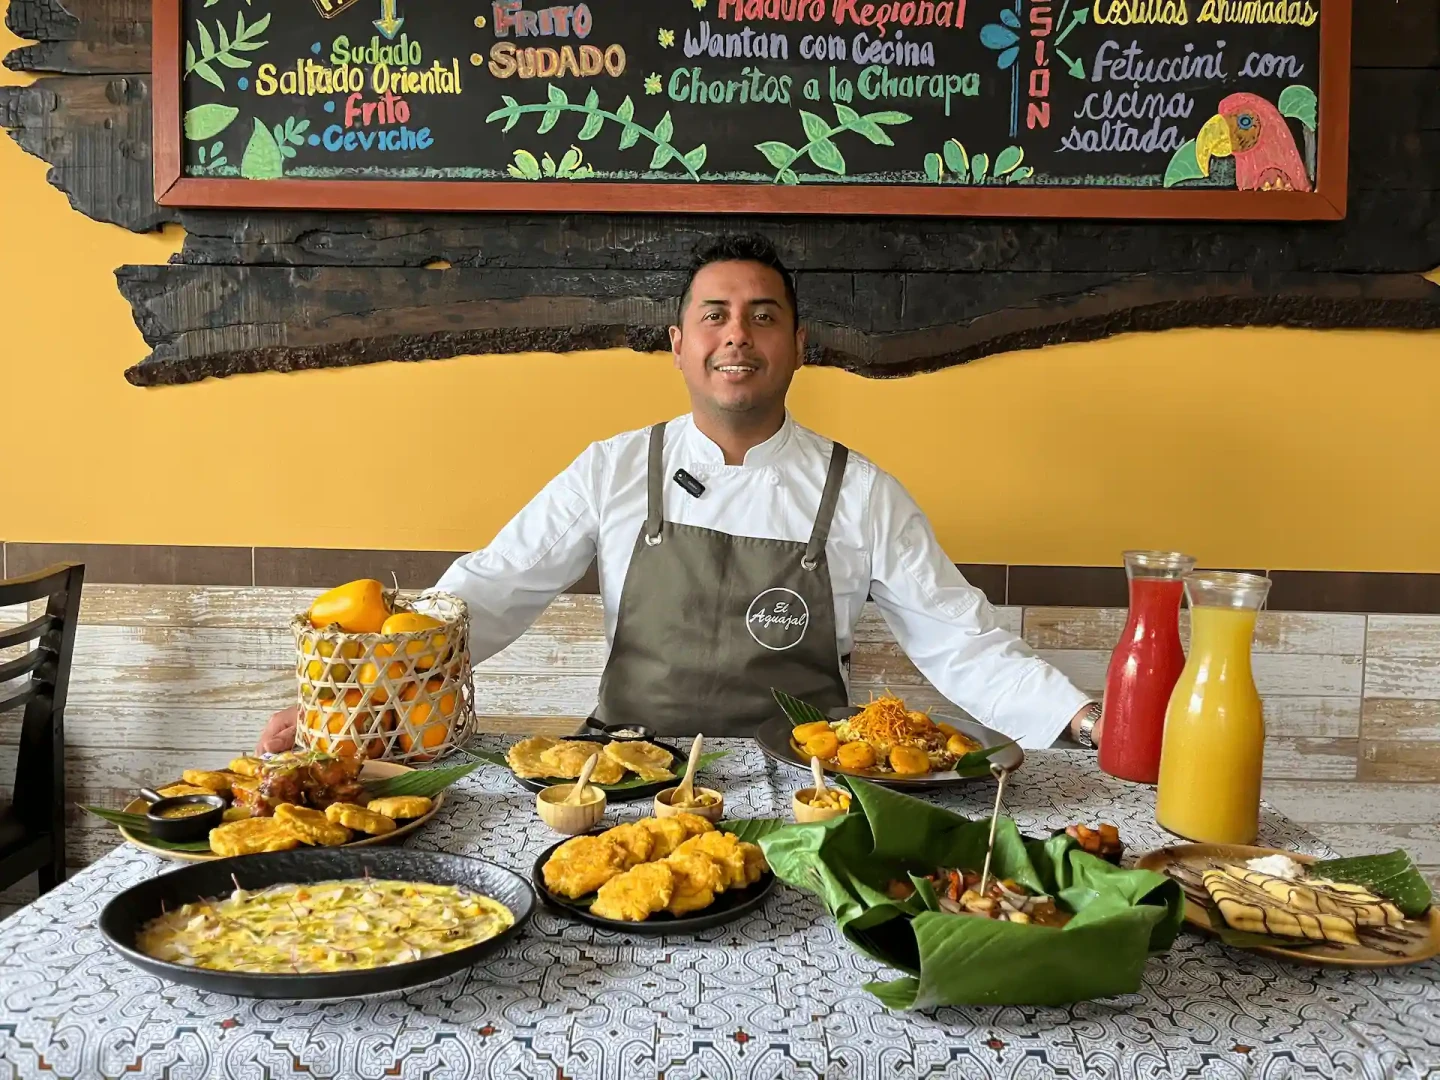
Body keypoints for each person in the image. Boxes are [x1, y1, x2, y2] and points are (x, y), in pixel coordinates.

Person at [258, 233, 1102, 754]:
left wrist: (1085, 719)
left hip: (808, 790)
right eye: (715, 315)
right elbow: (491, 589)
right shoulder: (613, 468)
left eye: (764, 316)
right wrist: (356, 703)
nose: (738, 335)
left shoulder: (862, 492)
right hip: (627, 777)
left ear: (799, 344)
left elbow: (963, 642)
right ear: (678, 343)